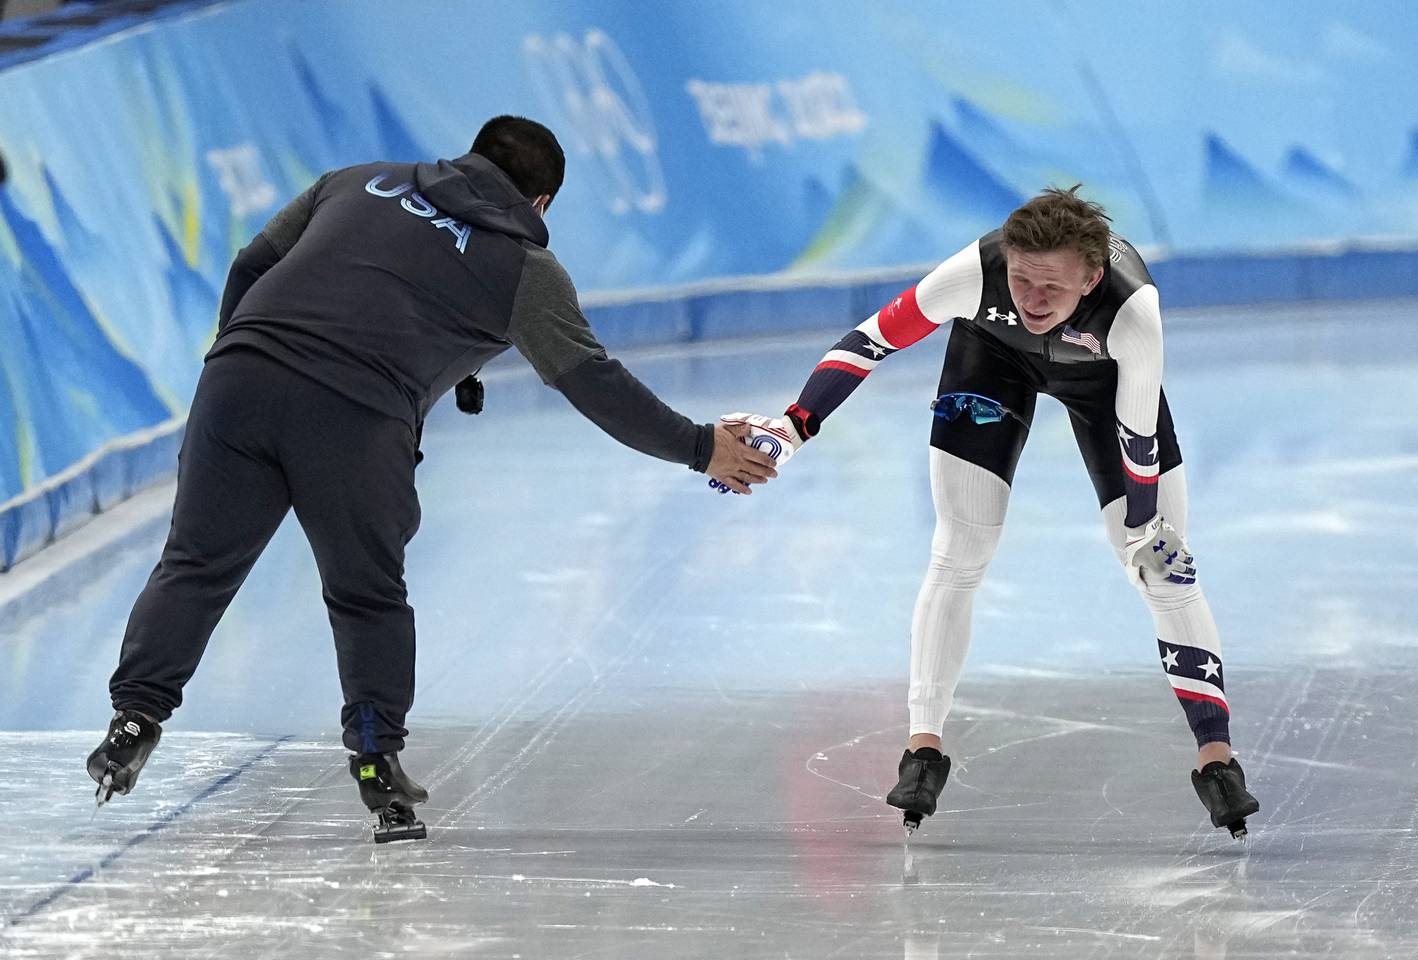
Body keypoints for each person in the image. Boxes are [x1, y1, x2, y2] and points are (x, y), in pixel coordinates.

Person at [85, 115, 779, 842]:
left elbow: (252, 265)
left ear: (472, 155)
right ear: (540, 205)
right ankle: (376, 763)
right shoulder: (523, 271)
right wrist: (701, 447)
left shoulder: (354, 182)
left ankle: (134, 718)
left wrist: (238, 354)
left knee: (195, 564)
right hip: (354, 417)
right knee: (366, 595)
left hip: (239, 380)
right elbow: (594, 383)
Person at [740, 186, 1260, 840]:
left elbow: (1138, 438)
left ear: (1092, 279)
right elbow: (870, 341)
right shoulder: (977, 274)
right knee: (958, 553)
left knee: (1165, 569)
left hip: (1106, 388)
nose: (1031, 301)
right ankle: (922, 751)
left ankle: (1217, 759)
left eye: (1052, 288)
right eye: (1020, 279)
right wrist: (796, 424)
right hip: (992, 364)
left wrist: (1147, 529)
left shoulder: (1133, 312)